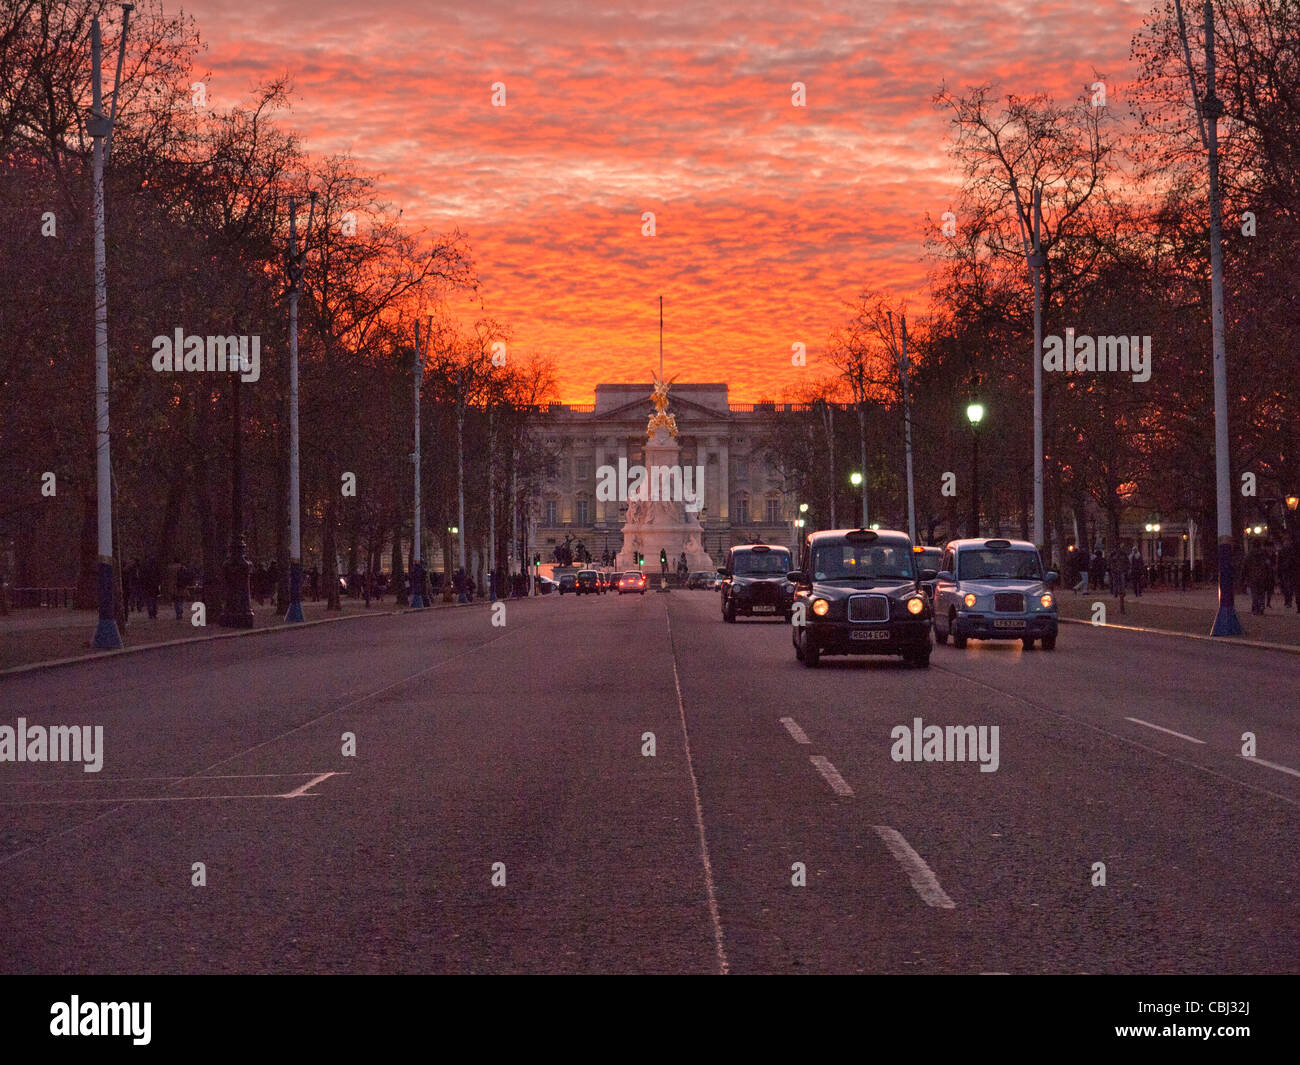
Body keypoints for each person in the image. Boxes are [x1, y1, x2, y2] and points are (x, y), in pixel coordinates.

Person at [1245, 544, 1273, 616]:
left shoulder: (1249, 555)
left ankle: (1255, 608)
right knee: (1261, 593)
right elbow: (1268, 566)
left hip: (1252, 577)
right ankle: (1261, 607)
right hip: (1263, 577)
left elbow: (1245, 567)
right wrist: (1269, 576)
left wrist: (1244, 577)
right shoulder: (1264, 555)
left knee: (1254, 593)